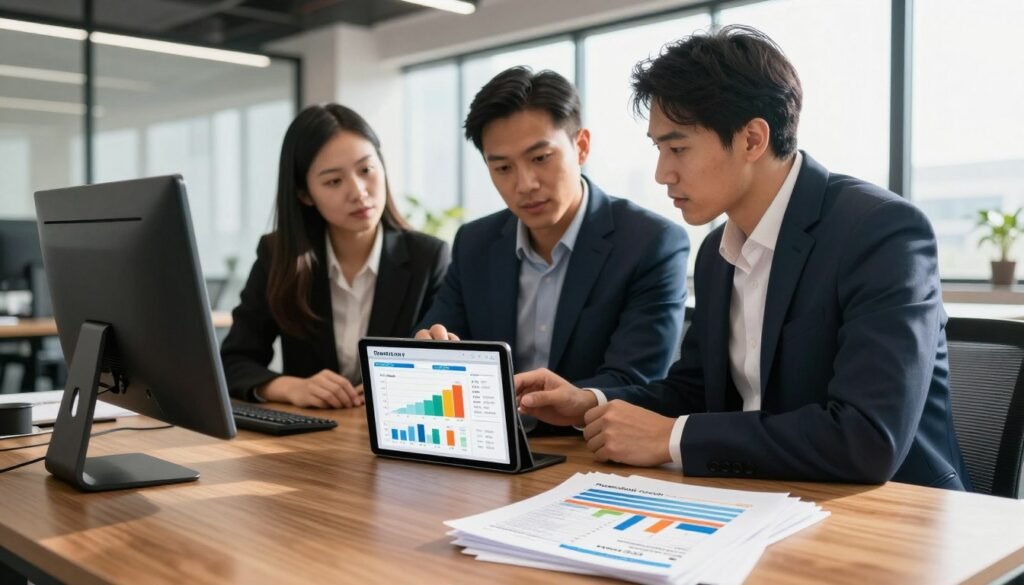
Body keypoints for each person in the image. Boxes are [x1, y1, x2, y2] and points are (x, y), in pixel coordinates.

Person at [515, 26, 968, 489]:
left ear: (752, 139)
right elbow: (693, 390)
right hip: (768, 496)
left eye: (678, 148)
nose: (662, 173)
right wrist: (590, 404)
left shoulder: (880, 232)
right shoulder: (718, 252)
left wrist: (674, 438)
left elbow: (867, 439)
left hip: (896, 512)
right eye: (659, 149)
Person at [415, 67, 690, 433]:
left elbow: (635, 379)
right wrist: (429, 351)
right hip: (490, 446)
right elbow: (438, 341)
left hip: (590, 450)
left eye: (540, 158)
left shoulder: (650, 242)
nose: (525, 184)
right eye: (502, 168)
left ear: (581, 146)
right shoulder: (475, 243)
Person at [221, 104, 450, 409]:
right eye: (333, 181)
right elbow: (233, 361)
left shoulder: (428, 257)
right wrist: (290, 388)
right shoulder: (279, 256)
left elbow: (448, 364)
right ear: (304, 194)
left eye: (366, 170)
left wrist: (399, 386)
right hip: (311, 440)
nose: (358, 192)